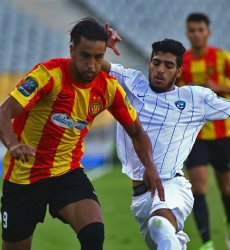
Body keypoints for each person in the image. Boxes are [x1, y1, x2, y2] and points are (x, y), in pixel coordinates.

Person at [102, 27, 230, 250]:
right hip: (140, 198)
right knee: (165, 240)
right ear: (149, 64)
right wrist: (103, 43)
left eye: (168, 66)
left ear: (178, 72)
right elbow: (90, 62)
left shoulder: (194, 98)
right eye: (156, 62)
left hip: (171, 186)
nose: (160, 70)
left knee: (159, 225)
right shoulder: (132, 81)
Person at [0, 18, 164, 250]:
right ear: (72, 50)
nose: (92, 65)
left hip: (67, 172)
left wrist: (151, 167)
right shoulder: (48, 75)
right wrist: (14, 145)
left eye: (98, 58)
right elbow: (4, 112)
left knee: (94, 234)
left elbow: (137, 131)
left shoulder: (108, 88)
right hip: (24, 176)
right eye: (85, 56)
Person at [181, 13, 230, 250]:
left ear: (208, 32)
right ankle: (207, 243)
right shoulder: (182, 61)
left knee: (225, 187)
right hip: (194, 135)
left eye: (200, 29)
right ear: (187, 33)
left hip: (221, 134)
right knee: (198, 187)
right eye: (192, 30)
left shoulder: (222, 58)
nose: (196, 34)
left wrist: (218, 87)